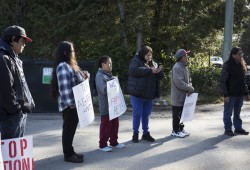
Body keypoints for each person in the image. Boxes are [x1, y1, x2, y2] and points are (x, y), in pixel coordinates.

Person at [51, 41, 90, 163]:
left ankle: (70, 151)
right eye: (72, 51)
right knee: (68, 129)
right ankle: (68, 155)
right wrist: (72, 104)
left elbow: (77, 81)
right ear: (65, 52)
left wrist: (85, 76)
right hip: (70, 105)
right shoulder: (63, 66)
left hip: (75, 104)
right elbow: (65, 88)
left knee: (71, 129)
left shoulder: (70, 65)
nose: (74, 53)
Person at [0, 25, 35, 140]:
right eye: (22, 41)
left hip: (16, 113)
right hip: (11, 116)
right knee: (9, 153)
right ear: (13, 39)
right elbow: (5, 89)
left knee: (16, 153)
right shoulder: (3, 58)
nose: (24, 45)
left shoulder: (12, 57)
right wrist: (16, 110)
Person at [127, 46, 164, 143]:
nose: (149, 57)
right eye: (147, 55)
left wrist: (159, 71)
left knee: (146, 114)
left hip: (148, 94)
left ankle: (145, 133)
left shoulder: (153, 63)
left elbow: (160, 77)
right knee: (137, 114)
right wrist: (149, 70)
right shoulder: (135, 61)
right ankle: (135, 134)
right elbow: (133, 71)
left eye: (150, 55)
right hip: (137, 93)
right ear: (143, 54)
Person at [95, 56, 125, 152]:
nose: (111, 65)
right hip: (106, 106)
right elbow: (103, 90)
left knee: (114, 124)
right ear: (103, 64)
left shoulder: (108, 74)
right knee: (106, 125)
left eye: (111, 64)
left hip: (113, 105)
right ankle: (102, 144)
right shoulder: (99, 75)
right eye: (109, 64)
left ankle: (114, 142)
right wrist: (113, 83)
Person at [221, 47, 250, 136]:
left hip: (240, 94)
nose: (241, 55)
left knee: (237, 113)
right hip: (230, 94)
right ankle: (228, 129)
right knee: (228, 112)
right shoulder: (227, 65)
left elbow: (243, 81)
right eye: (239, 54)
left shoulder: (241, 65)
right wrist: (225, 95)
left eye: (242, 54)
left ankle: (238, 128)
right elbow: (223, 81)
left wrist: (246, 93)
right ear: (233, 55)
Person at [170, 49, 194, 138]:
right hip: (177, 96)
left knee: (182, 114)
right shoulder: (177, 67)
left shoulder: (184, 66)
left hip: (184, 95)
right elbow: (179, 82)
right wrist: (189, 88)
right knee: (176, 115)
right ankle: (175, 130)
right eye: (185, 56)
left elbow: (188, 80)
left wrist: (189, 89)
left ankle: (181, 129)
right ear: (181, 58)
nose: (186, 57)